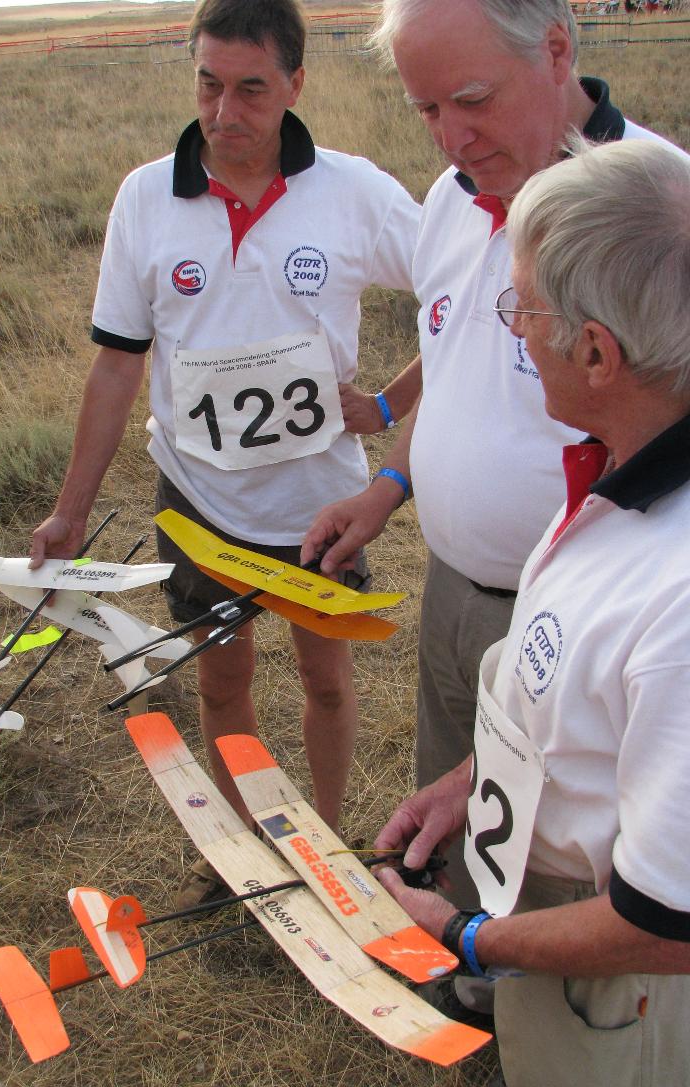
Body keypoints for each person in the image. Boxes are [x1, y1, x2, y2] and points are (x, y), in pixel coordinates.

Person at [30, 0, 421, 907]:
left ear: (295, 84)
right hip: (200, 504)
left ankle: (326, 850)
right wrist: (69, 512)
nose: (224, 111)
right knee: (222, 680)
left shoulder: (353, 192)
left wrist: (390, 404)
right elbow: (117, 365)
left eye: (251, 89)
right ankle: (243, 856)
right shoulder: (145, 198)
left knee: (326, 679)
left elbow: (465, 293)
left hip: (321, 504)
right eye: (208, 84)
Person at [302, 0, 685, 912]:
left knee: (555, 881)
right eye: (426, 109)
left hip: (591, 639)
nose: (451, 138)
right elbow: (450, 362)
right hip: (453, 592)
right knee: (453, 824)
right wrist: (388, 488)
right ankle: (459, 959)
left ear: (555, 50)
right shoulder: (449, 199)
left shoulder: (661, 211)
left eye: (472, 99)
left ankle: (501, 966)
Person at [369, 136, 690, 1087]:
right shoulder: (617, 460)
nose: (512, 331)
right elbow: (594, 716)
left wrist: (466, 937)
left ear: (596, 351)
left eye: (523, 310)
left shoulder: (677, 600)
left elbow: (667, 925)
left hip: (620, 989)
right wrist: (476, 779)